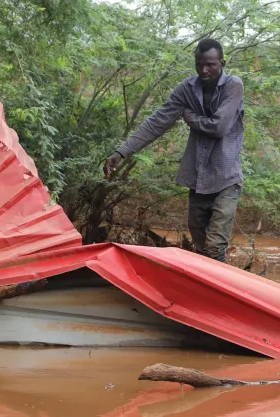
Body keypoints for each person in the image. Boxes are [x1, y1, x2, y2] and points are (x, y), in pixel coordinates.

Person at [103, 39, 244, 262]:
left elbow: (219, 127)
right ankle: (202, 290)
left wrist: (190, 117)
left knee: (215, 246)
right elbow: (157, 122)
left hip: (226, 177)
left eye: (210, 65)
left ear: (222, 63)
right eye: (199, 64)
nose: (204, 70)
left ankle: (211, 295)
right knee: (200, 244)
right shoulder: (187, 89)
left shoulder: (233, 86)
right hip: (198, 179)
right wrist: (122, 152)